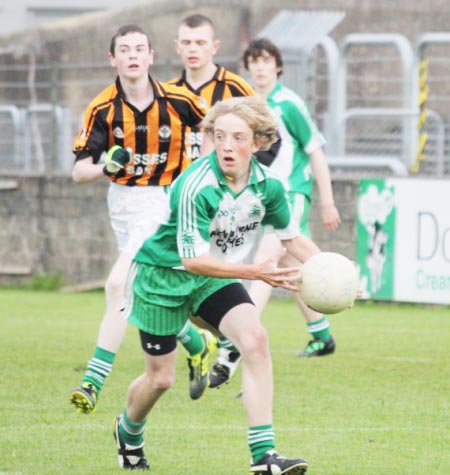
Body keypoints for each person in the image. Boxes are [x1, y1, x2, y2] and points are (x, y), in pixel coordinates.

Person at [114, 95, 317, 473]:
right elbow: (191, 260)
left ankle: (264, 457)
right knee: (160, 379)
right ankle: (128, 432)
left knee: (255, 339)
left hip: (212, 276)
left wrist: (334, 273)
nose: (227, 146)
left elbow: (293, 239)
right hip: (163, 278)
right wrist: (256, 272)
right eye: (220, 136)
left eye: (238, 137)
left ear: (258, 142)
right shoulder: (198, 184)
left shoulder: (269, 185)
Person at [70, 24, 209, 414]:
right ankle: (197, 344)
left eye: (139, 49)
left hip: (164, 200)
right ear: (112, 59)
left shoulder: (180, 100)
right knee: (141, 290)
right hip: (123, 203)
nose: (133, 55)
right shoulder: (102, 108)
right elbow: (79, 171)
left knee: (117, 285)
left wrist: (204, 174)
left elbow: (214, 126)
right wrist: (104, 165)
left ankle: (92, 381)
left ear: (151, 56)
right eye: (124, 50)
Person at [208, 38, 342, 388]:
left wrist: (326, 200)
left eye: (267, 60)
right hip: (262, 195)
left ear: (278, 66)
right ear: (248, 67)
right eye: (255, 61)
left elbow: (315, 151)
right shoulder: (247, 106)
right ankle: (321, 333)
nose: (261, 67)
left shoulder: (289, 104)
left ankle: (239, 338)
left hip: (291, 191)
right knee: (285, 266)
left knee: (270, 254)